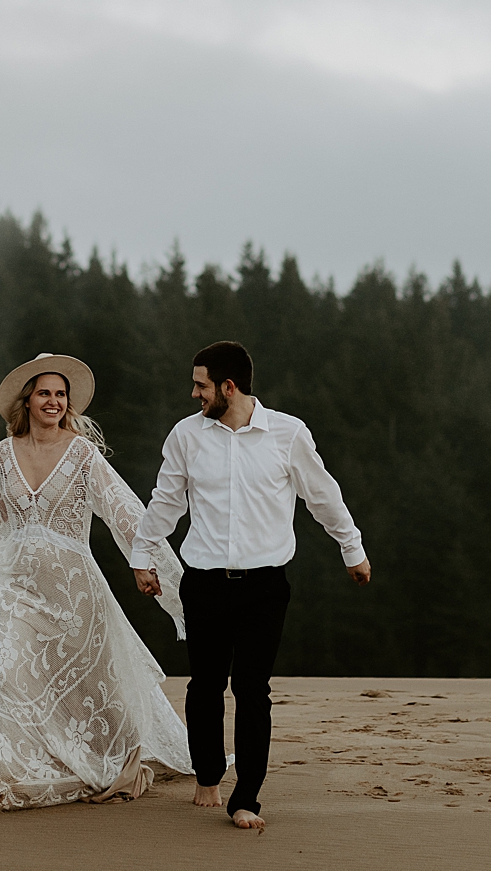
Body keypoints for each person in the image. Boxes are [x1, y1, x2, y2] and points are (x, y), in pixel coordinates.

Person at [0, 353, 193, 811]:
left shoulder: (83, 454)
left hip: (76, 591)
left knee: (98, 683)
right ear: (27, 401)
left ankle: (121, 762)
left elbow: (123, 512)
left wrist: (146, 562)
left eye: (60, 394)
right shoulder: (5, 452)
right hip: (21, 588)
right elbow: (0, 511)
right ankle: (35, 764)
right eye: (44, 393)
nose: (53, 401)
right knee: (17, 675)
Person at [131, 340, 371, 832]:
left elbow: (323, 495)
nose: (193, 392)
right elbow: (166, 502)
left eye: (201, 384)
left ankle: (247, 798)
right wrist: (142, 555)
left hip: (265, 586)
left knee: (252, 689)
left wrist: (352, 548)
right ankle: (208, 774)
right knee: (205, 686)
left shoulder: (287, 433)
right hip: (203, 584)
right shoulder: (186, 436)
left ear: (228, 386)